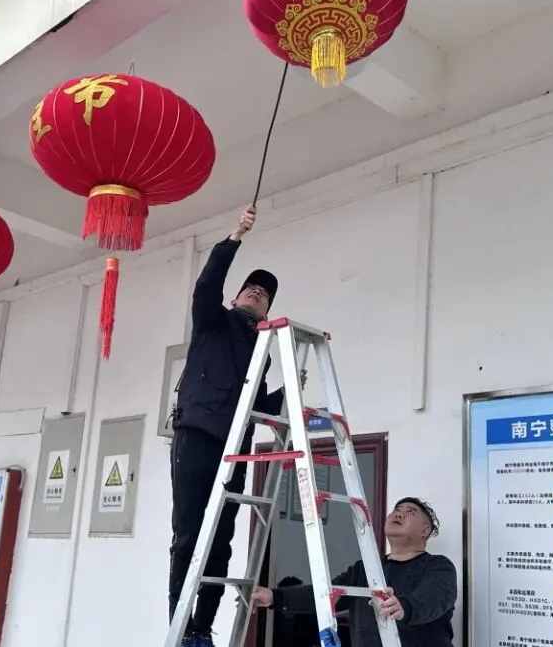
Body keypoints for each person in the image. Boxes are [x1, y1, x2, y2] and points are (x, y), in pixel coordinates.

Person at [169, 205, 305, 647]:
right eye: (251, 288)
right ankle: (179, 624)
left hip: (235, 445)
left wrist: (289, 388)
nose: (256, 294)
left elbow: (257, 403)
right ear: (235, 298)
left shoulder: (259, 348)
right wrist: (234, 237)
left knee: (221, 536)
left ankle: (202, 628)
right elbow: (206, 285)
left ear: (267, 312)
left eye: (264, 295)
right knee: (188, 534)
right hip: (196, 435)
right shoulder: (212, 322)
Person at [250, 497, 458, 647]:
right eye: (397, 509)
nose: (399, 513)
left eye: (410, 511)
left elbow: (435, 598)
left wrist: (405, 607)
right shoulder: (365, 570)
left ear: (425, 530)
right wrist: (275, 597)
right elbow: (326, 595)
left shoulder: (438, 567)